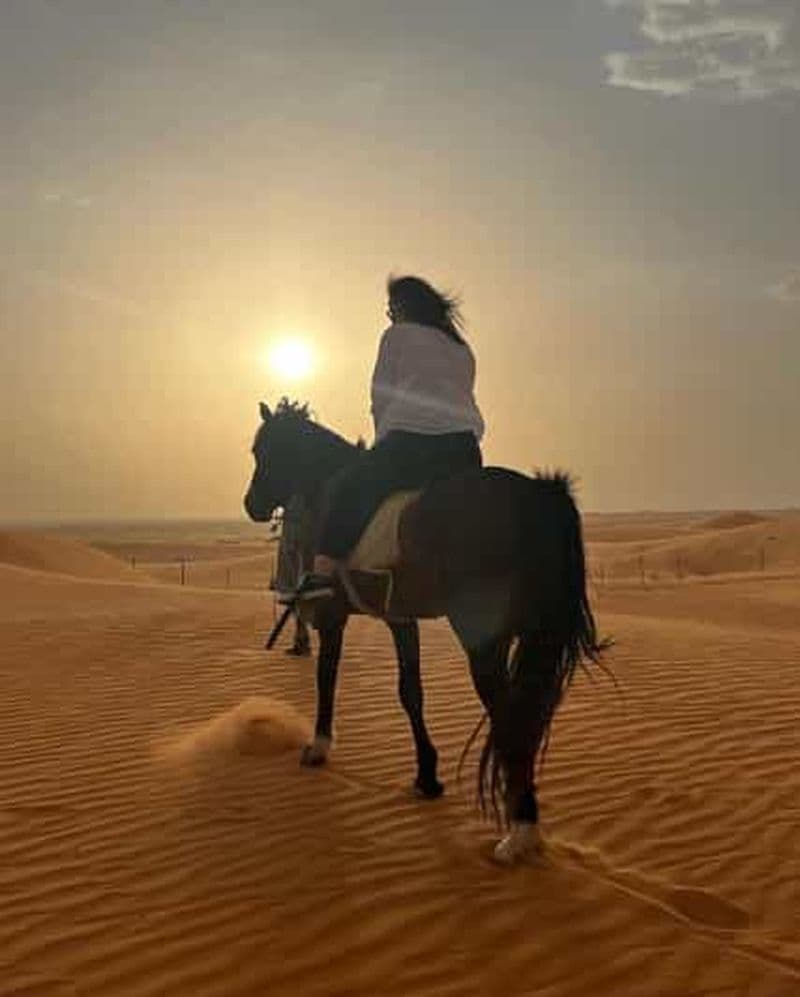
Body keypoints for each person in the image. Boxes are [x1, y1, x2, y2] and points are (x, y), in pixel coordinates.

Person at [293, 274, 484, 602]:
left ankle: (321, 576)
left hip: (411, 446)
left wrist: (380, 447)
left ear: (402, 307)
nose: (390, 315)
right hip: (465, 451)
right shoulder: (461, 348)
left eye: (391, 308)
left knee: (348, 489)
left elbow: (381, 397)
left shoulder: (396, 336)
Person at [272, 494, 315, 652]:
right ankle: (301, 636)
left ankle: (302, 638)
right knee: (295, 587)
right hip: (297, 527)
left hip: (300, 531)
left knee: (299, 586)